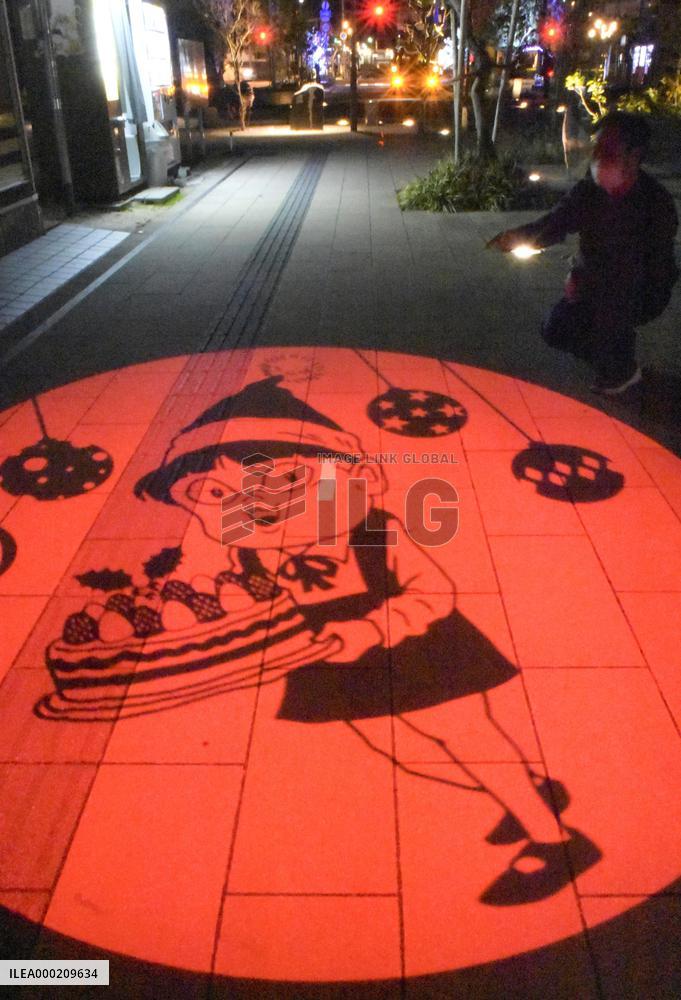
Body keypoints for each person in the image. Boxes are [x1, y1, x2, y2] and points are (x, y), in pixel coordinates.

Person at [489, 112, 679, 395]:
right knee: (556, 328)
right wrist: (517, 237)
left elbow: (656, 267)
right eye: (598, 147)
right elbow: (557, 222)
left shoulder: (656, 203)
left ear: (634, 155)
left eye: (609, 150)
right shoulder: (590, 192)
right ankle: (616, 361)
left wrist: (592, 279)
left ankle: (621, 368)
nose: (599, 156)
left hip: (639, 289)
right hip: (595, 283)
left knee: (610, 312)